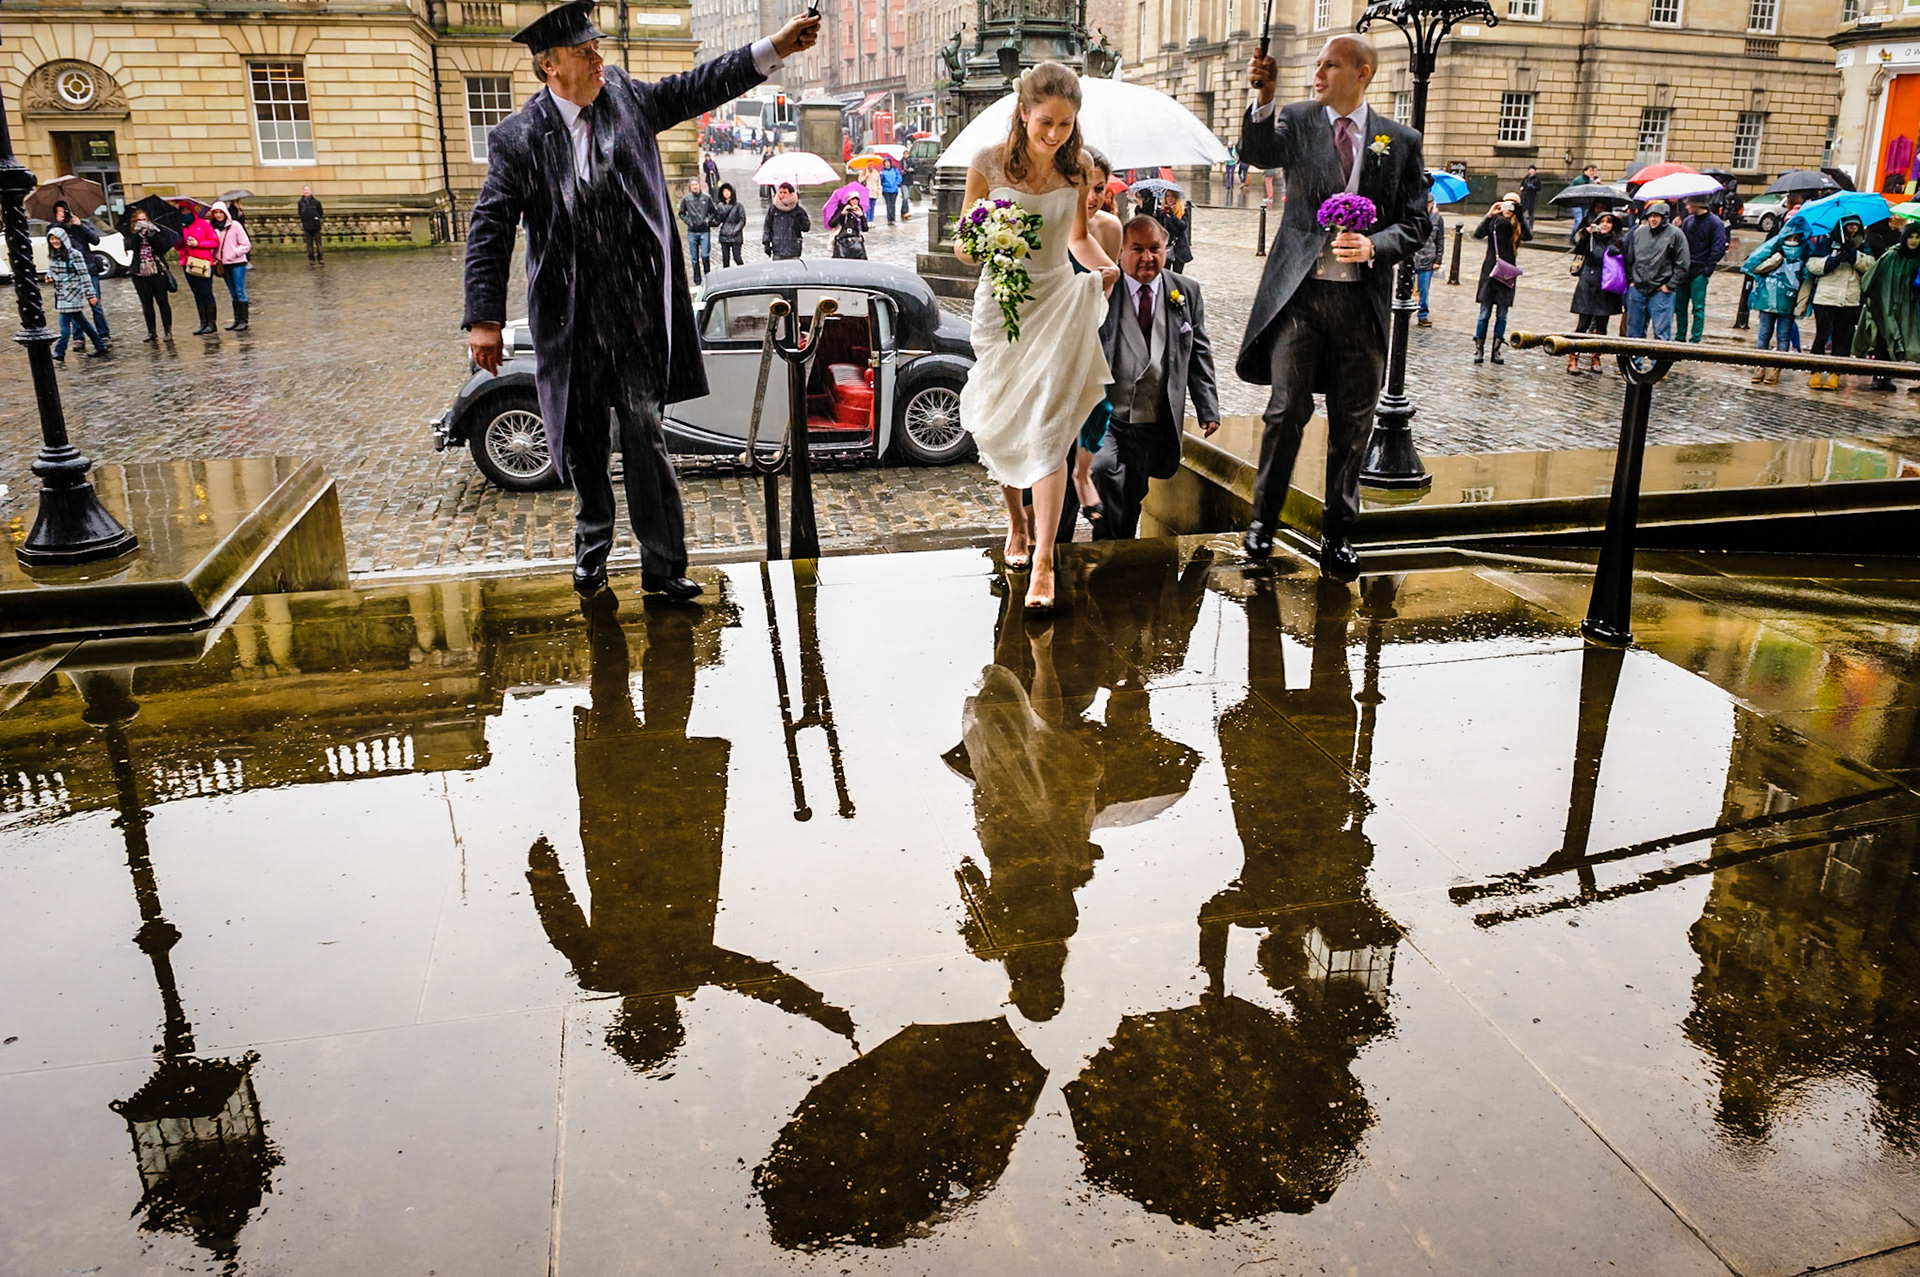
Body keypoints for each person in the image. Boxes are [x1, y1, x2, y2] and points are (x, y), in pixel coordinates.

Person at [463, 0, 823, 604]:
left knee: (644, 433)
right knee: (583, 445)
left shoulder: (626, 98)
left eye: (597, 48)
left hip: (635, 314)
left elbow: (698, 86)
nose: (598, 59)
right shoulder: (518, 137)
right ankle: (592, 552)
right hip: (571, 322)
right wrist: (484, 319)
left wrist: (776, 47)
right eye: (585, 52)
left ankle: (664, 566)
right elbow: (490, 227)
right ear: (551, 67)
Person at [1238, 34, 1430, 582]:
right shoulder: (1298, 120)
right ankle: (1262, 523)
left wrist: (1375, 245)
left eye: (1331, 65)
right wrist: (1264, 96)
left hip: (1360, 305)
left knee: (1353, 422)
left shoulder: (1400, 141)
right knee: (1285, 411)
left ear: (1363, 73)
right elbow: (1258, 152)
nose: (1317, 74)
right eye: (1317, 64)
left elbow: (1418, 221)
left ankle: (1339, 535)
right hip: (1300, 299)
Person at [955, 59, 1119, 613]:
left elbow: (1077, 238)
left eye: (1065, 124)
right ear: (1023, 112)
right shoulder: (988, 163)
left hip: (1056, 301)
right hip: (1003, 305)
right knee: (1003, 419)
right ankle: (1017, 521)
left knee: (1049, 426)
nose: (1055, 134)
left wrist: (1106, 268)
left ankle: (1045, 557)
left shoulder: (1079, 168)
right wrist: (987, 238)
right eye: (1046, 122)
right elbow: (962, 247)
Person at [1087, 215, 1220, 540]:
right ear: (1121, 251)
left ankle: (1119, 546)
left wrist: (1208, 408)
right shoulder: (1106, 288)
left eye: (1154, 249)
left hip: (1151, 419)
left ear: (1166, 249)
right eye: (1137, 249)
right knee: (1103, 469)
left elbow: (1198, 353)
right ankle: (1105, 542)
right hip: (1105, 414)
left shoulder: (1185, 291)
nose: (1147, 257)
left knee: (1133, 493)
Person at [1852, 220, 1920, 389]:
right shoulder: (1892, 256)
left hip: (1906, 307)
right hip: (1886, 304)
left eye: (1917, 237)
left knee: (1897, 341)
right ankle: (1878, 376)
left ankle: (1888, 376)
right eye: (1911, 236)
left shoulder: (1917, 258)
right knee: (1883, 339)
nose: (1914, 241)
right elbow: (1872, 278)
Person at [1807, 217, 1873, 390]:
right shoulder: (1827, 243)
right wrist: (1833, 260)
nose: (1853, 229)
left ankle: (1835, 373)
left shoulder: (1862, 245)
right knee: (1822, 335)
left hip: (1850, 298)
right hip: (1826, 296)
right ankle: (1815, 370)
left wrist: (1855, 257)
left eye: (1856, 226)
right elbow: (1812, 264)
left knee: (1842, 337)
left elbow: (1871, 266)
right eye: (1849, 225)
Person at [1741, 227, 1810, 385]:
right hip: (1768, 300)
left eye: (1796, 238)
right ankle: (1760, 366)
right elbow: (1754, 266)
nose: (1792, 241)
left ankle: (1775, 368)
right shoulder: (1773, 251)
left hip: (1788, 302)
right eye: (1790, 237)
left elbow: (1806, 280)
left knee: (1783, 336)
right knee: (1764, 333)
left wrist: (1802, 303)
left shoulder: (1804, 255)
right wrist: (1776, 259)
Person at [1471, 194, 1528, 365]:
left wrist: (1520, 215)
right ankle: (1479, 348)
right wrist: (1489, 214)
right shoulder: (1494, 222)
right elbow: (1478, 234)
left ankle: (1496, 349)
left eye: (1512, 206)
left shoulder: (1517, 225)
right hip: (1490, 271)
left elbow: (1528, 236)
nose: (1507, 209)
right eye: (1506, 205)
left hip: (1507, 272)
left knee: (1502, 314)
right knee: (1484, 313)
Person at [1568, 209, 1625, 373]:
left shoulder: (1617, 241)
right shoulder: (1591, 238)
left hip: (1607, 286)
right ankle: (1573, 358)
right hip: (1589, 284)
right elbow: (1579, 249)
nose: (1605, 225)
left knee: (1602, 325)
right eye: (1602, 221)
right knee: (1583, 324)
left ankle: (1595, 358)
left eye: (1609, 222)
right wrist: (1587, 233)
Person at [1622, 199, 1688, 341]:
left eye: (1656, 216)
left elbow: (1682, 263)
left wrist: (1669, 285)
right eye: (1650, 216)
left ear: (1664, 218)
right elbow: (1629, 258)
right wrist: (1631, 280)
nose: (1652, 219)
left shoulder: (1676, 234)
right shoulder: (1639, 233)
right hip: (1638, 288)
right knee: (1634, 333)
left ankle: (1659, 357)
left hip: (1661, 290)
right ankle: (1636, 356)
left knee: (1661, 334)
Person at [50, 201, 111, 348]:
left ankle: (104, 335)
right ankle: (79, 338)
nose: (63, 215)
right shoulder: (54, 229)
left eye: (64, 211)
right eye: (59, 212)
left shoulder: (81, 224)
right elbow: (52, 246)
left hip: (88, 268)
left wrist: (79, 225)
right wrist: (59, 225)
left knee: (95, 303)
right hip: (69, 274)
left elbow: (95, 240)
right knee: (73, 307)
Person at [44, 226, 106, 362]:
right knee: (82, 322)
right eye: (52, 239)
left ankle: (59, 351)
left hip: (73, 293)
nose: (54, 241)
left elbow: (84, 275)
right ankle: (100, 345)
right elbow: (52, 270)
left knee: (64, 325)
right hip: (61, 293)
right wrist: (49, 276)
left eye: (57, 239)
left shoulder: (75, 254)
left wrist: (91, 294)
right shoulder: (54, 254)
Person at [1675, 194, 1728, 343]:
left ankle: (1695, 339)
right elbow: (1682, 244)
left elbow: (1718, 247)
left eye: (1689, 204)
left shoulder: (1714, 223)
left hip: (1700, 270)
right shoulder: (1688, 221)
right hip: (1685, 269)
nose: (1686, 207)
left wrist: (1707, 269)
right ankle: (1680, 336)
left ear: (1696, 204)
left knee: (1698, 307)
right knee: (1680, 307)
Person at [126, 207, 181, 343]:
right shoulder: (131, 234)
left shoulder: (156, 231)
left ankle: (168, 331)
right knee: (146, 303)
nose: (142, 222)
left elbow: (162, 247)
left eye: (144, 219)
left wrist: (152, 235)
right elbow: (131, 246)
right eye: (139, 220)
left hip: (157, 269)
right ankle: (151, 331)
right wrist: (139, 235)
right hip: (139, 271)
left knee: (162, 301)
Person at [179, 202, 221, 335]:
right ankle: (203, 322)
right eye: (182, 210)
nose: (185, 213)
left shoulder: (203, 224)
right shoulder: (180, 227)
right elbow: (178, 247)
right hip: (188, 263)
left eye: (187, 210)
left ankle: (211, 323)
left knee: (206, 292)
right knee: (197, 294)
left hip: (203, 263)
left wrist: (198, 244)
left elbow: (214, 242)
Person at [209, 200, 252, 332]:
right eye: (215, 212)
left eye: (220, 212)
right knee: (232, 293)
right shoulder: (213, 228)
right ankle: (237, 319)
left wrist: (233, 253)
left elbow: (246, 244)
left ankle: (243, 320)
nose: (218, 215)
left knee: (239, 291)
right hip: (223, 264)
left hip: (237, 262)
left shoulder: (235, 225)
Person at [1412, 196, 1443, 327]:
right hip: (1413, 257)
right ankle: (1405, 314)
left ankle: (1422, 315)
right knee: (1407, 289)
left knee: (1424, 290)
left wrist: (1438, 259)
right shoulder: (1414, 216)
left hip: (1428, 259)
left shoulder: (1437, 218)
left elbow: (1440, 240)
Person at [678, 178, 716, 284]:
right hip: (692, 231)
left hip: (704, 231)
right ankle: (697, 280)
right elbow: (681, 213)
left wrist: (708, 220)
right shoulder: (686, 199)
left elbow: (714, 211)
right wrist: (688, 221)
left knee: (705, 255)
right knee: (694, 258)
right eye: (693, 185)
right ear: (690, 187)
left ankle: (708, 277)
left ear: (699, 185)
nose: (695, 187)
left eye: (696, 184)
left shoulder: (707, 197)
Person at [763, 182, 809, 259]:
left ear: (791, 194)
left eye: (785, 192)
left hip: (793, 249)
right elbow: (767, 226)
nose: (782, 195)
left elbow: (806, 228)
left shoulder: (797, 210)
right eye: (780, 192)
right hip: (778, 248)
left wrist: (800, 217)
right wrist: (766, 242)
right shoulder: (773, 209)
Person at [1155, 189, 1193, 272]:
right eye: (1168, 196)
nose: (1170, 198)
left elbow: (1183, 226)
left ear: (1176, 198)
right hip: (1167, 246)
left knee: (1177, 274)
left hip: (1179, 247)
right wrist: (1160, 216)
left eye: (1172, 196)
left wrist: (1172, 216)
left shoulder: (1183, 210)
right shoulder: (1162, 211)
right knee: (1165, 273)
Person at [713, 182, 747, 268]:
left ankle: (743, 272)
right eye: (724, 191)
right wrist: (708, 222)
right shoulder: (720, 206)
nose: (726, 193)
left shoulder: (738, 206)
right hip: (724, 235)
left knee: (737, 257)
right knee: (725, 259)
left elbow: (742, 220)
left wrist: (735, 230)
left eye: (728, 191)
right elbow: (718, 220)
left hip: (735, 235)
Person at [829, 192, 868, 258]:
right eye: (852, 199)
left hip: (856, 241)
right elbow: (832, 224)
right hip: (842, 241)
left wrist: (861, 216)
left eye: (857, 199)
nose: (855, 201)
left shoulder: (859, 211)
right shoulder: (842, 210)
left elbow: (865, 228)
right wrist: (842, 213)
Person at [297, 185, 325, 263]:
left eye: (308, 190)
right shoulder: (300, 202)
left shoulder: (316, 202)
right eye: (305, 190)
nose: (306, 192)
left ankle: (320, 257)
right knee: (309, 244)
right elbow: (300, 213)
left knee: (318, 243)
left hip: (316, 225)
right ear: (303, 192)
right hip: (306, 225)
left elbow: (320, 212)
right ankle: (311, 258)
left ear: (310, 191)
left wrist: (317, 218)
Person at [1518, 164, 1541, 234]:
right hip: (1524, 197)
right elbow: (1522, 185)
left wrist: (1533, 187)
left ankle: (1531, 226)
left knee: (1531, 213)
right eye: (1530, 170)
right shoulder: (1526, 178)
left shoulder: (1536, 179)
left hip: (1531, 198)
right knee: (1522, 211)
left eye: (1533, 170)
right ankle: (1521, 224)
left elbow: (1539, 188)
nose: (1531, 171)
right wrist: (1522, 188)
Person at [880, 157, 902, 224]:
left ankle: (893, 218)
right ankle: (889, 219)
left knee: (893, 204)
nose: (887, 164)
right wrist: (881, 176)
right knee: (888, 204)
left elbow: (899, 178)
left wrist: (896, 184)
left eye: (888, 162)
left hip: (894, 189)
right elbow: (881, 181)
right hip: (886, 190)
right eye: (885, 162)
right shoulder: (883, 171)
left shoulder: (895, 170)